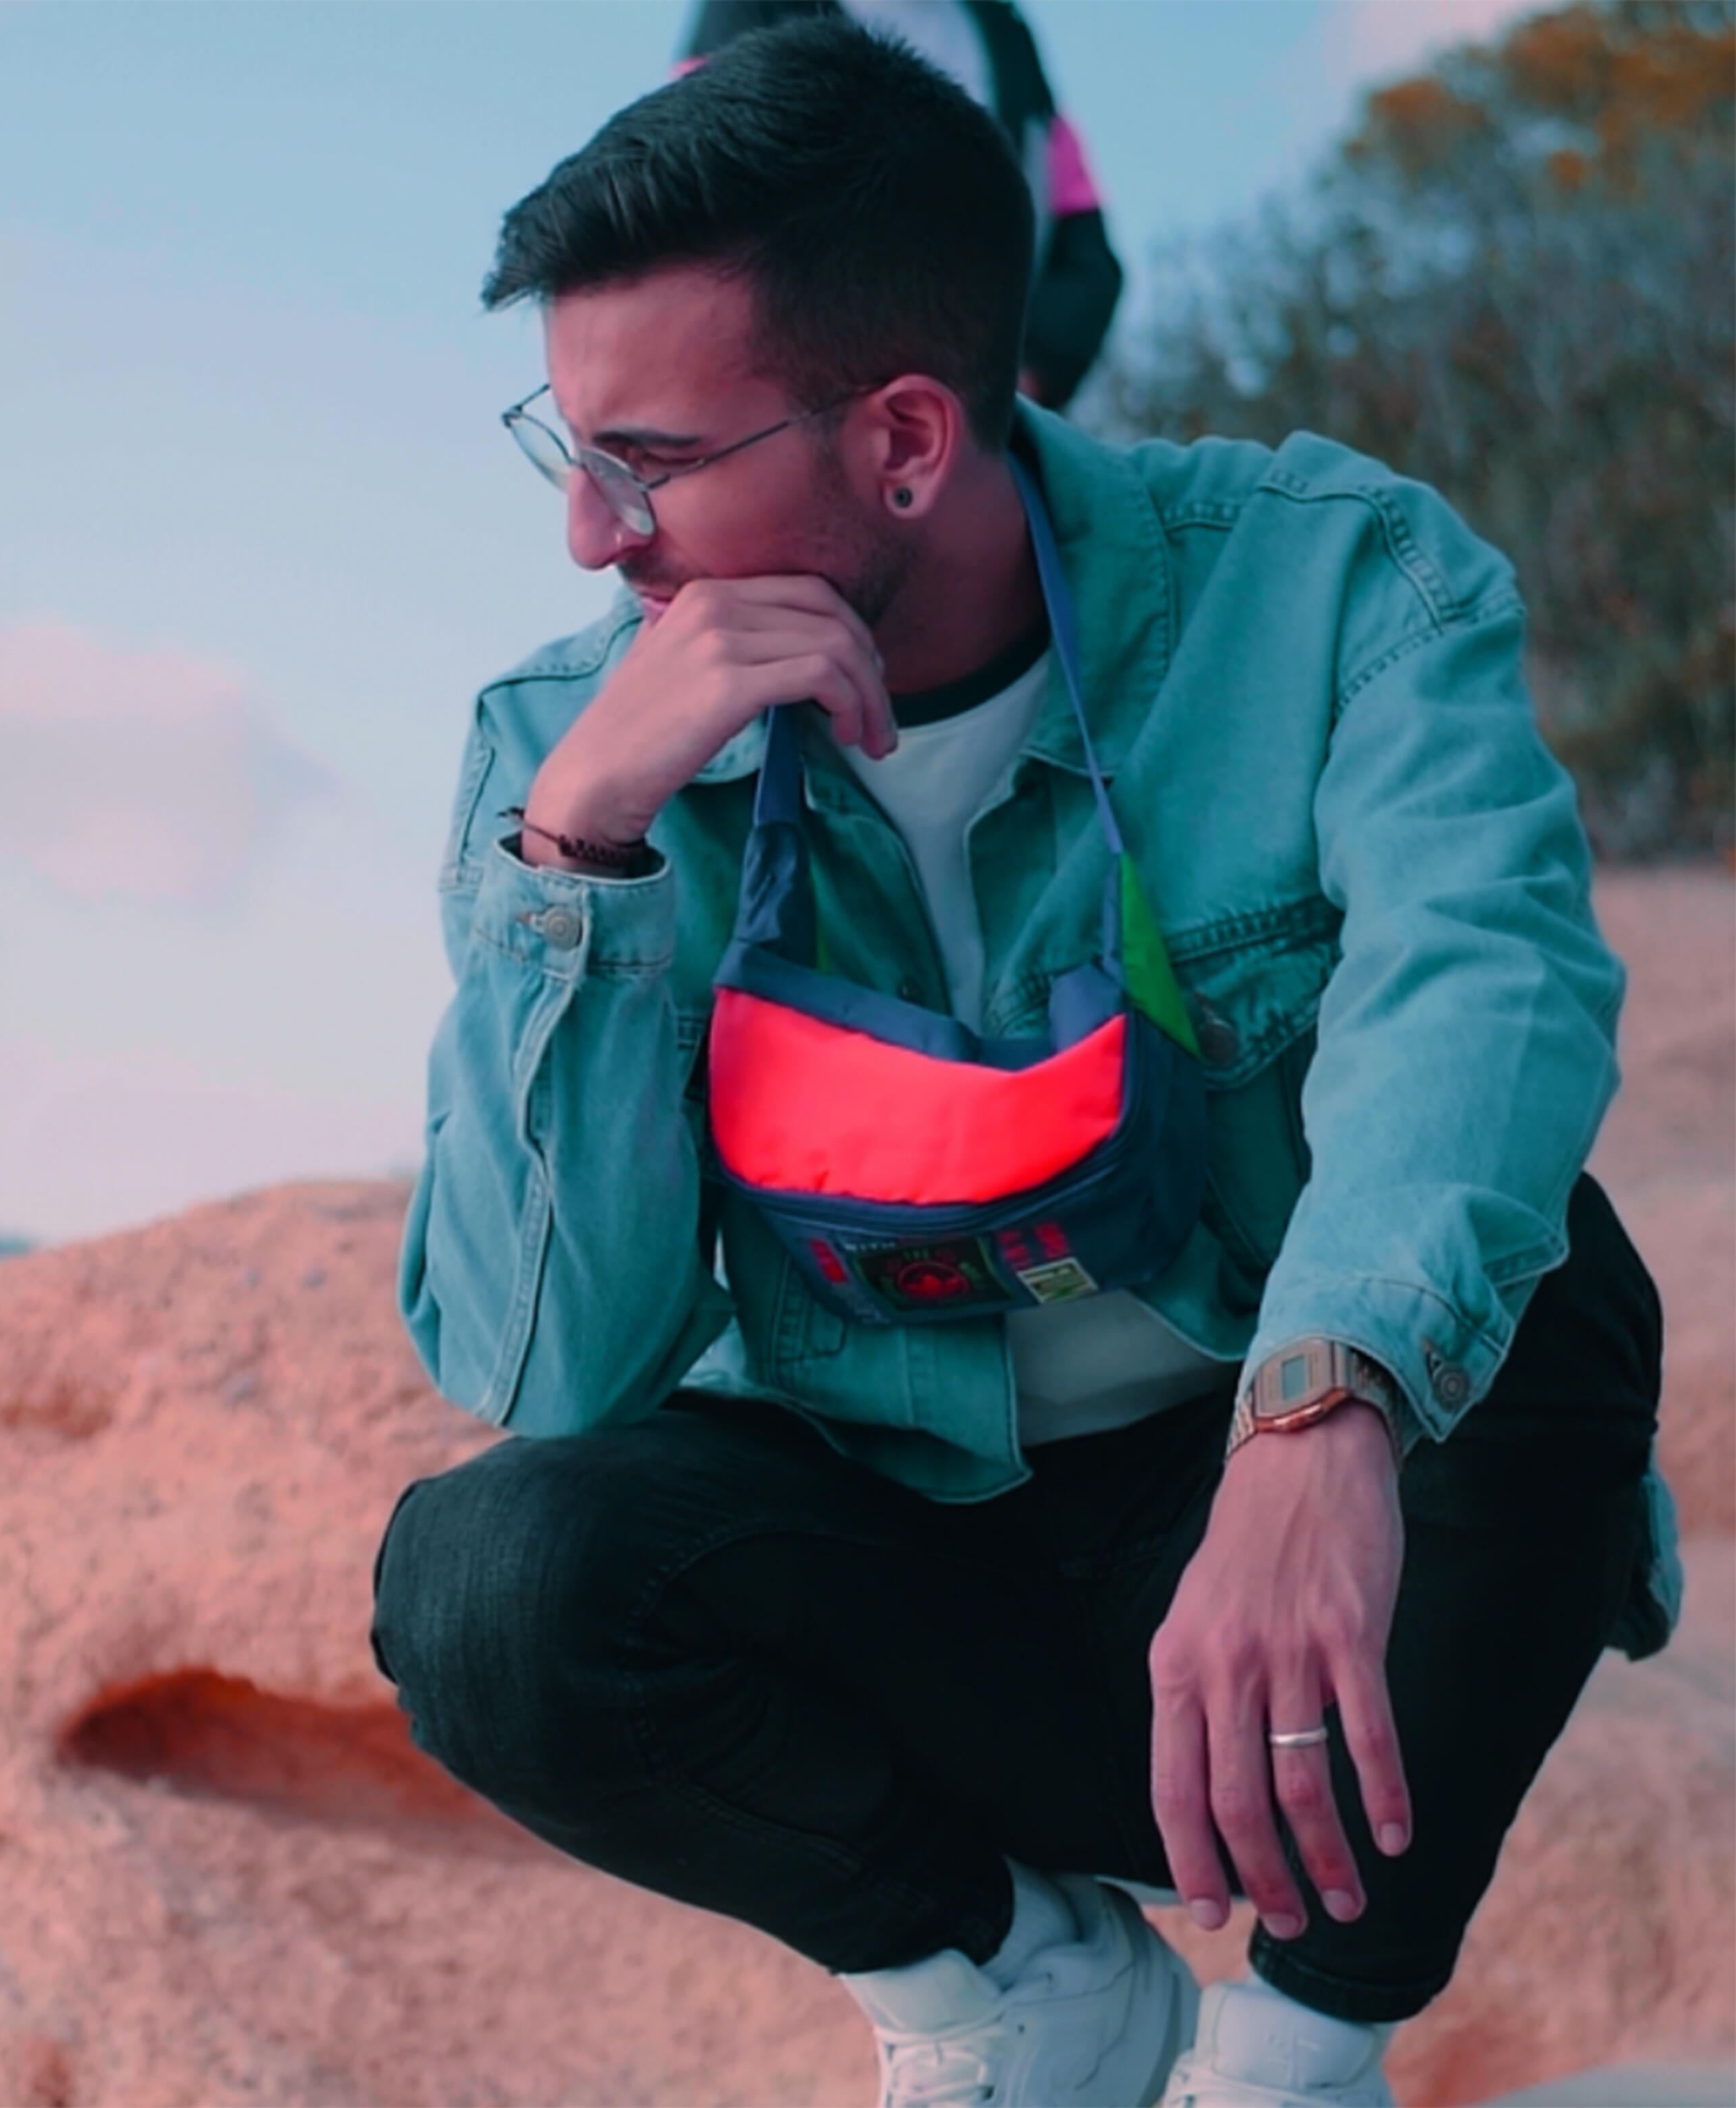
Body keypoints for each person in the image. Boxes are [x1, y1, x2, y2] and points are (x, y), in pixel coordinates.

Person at [371, 20, 1673, 2108]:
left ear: (903, 438)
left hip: (1310, 1584)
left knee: (1552, 1295)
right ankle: (1019, 1985)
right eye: (565, 447)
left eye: (649, 461)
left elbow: (1484, 996)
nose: (592, 540)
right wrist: (583, 855)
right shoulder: (563, 746)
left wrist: (1315, 1413)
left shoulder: (1328, 580)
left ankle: (1293, 2050)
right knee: (482, 1582)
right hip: (910, 1586)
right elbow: (548, 1372)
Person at [677, 0, 1123, 409]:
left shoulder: (1008, 39)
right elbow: (690, 195)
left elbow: (1086, 254)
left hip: (977, 421)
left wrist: (1020, 385)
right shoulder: (752, 9)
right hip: (798, 408)